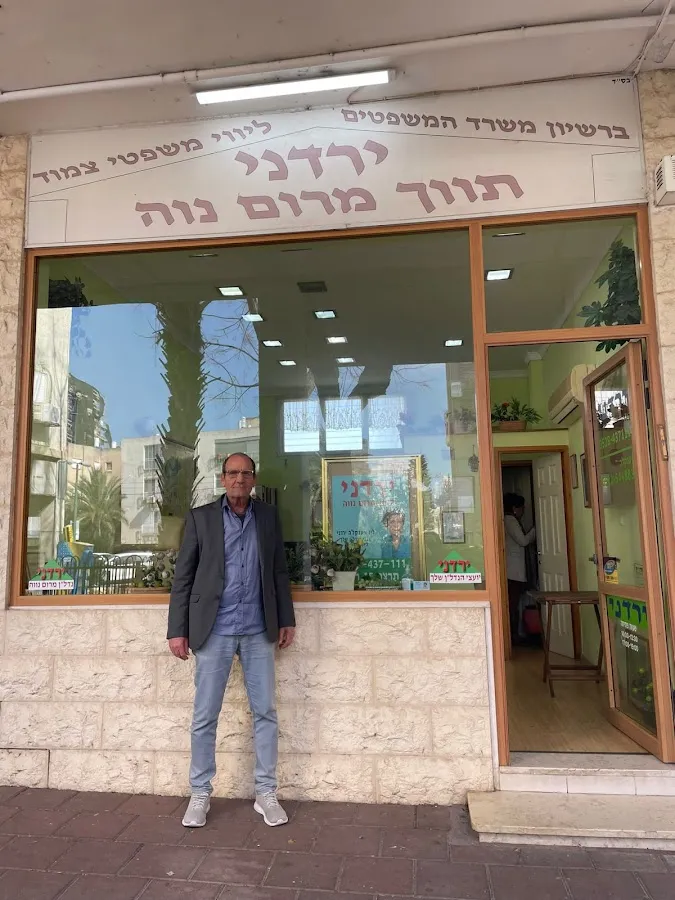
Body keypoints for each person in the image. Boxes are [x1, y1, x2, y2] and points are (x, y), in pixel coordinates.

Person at [167, 452, 295, 829]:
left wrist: (286, 618)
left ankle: (266, 793)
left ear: (254, 479)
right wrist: (177, 629)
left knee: (265, 712)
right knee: (205, 715)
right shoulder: (201, 518)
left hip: (258, 628)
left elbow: (279, 571)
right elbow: (183, 577)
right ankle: (200, 793)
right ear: (222, 479)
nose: (239, 479)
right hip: (214, 629)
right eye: (233, 473)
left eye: (246, 473)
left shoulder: (267, 517)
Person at [503, 492, 536, 644]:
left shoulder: (508, 520)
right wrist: (535, 530)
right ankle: (513, 636)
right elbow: (523, 541)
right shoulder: (510, 520)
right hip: (513, 571)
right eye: (522, 507)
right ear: (515, 508)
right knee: (512, 603)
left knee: (513, 602)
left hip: (512, 570)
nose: (523, 511)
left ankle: (515, 635)